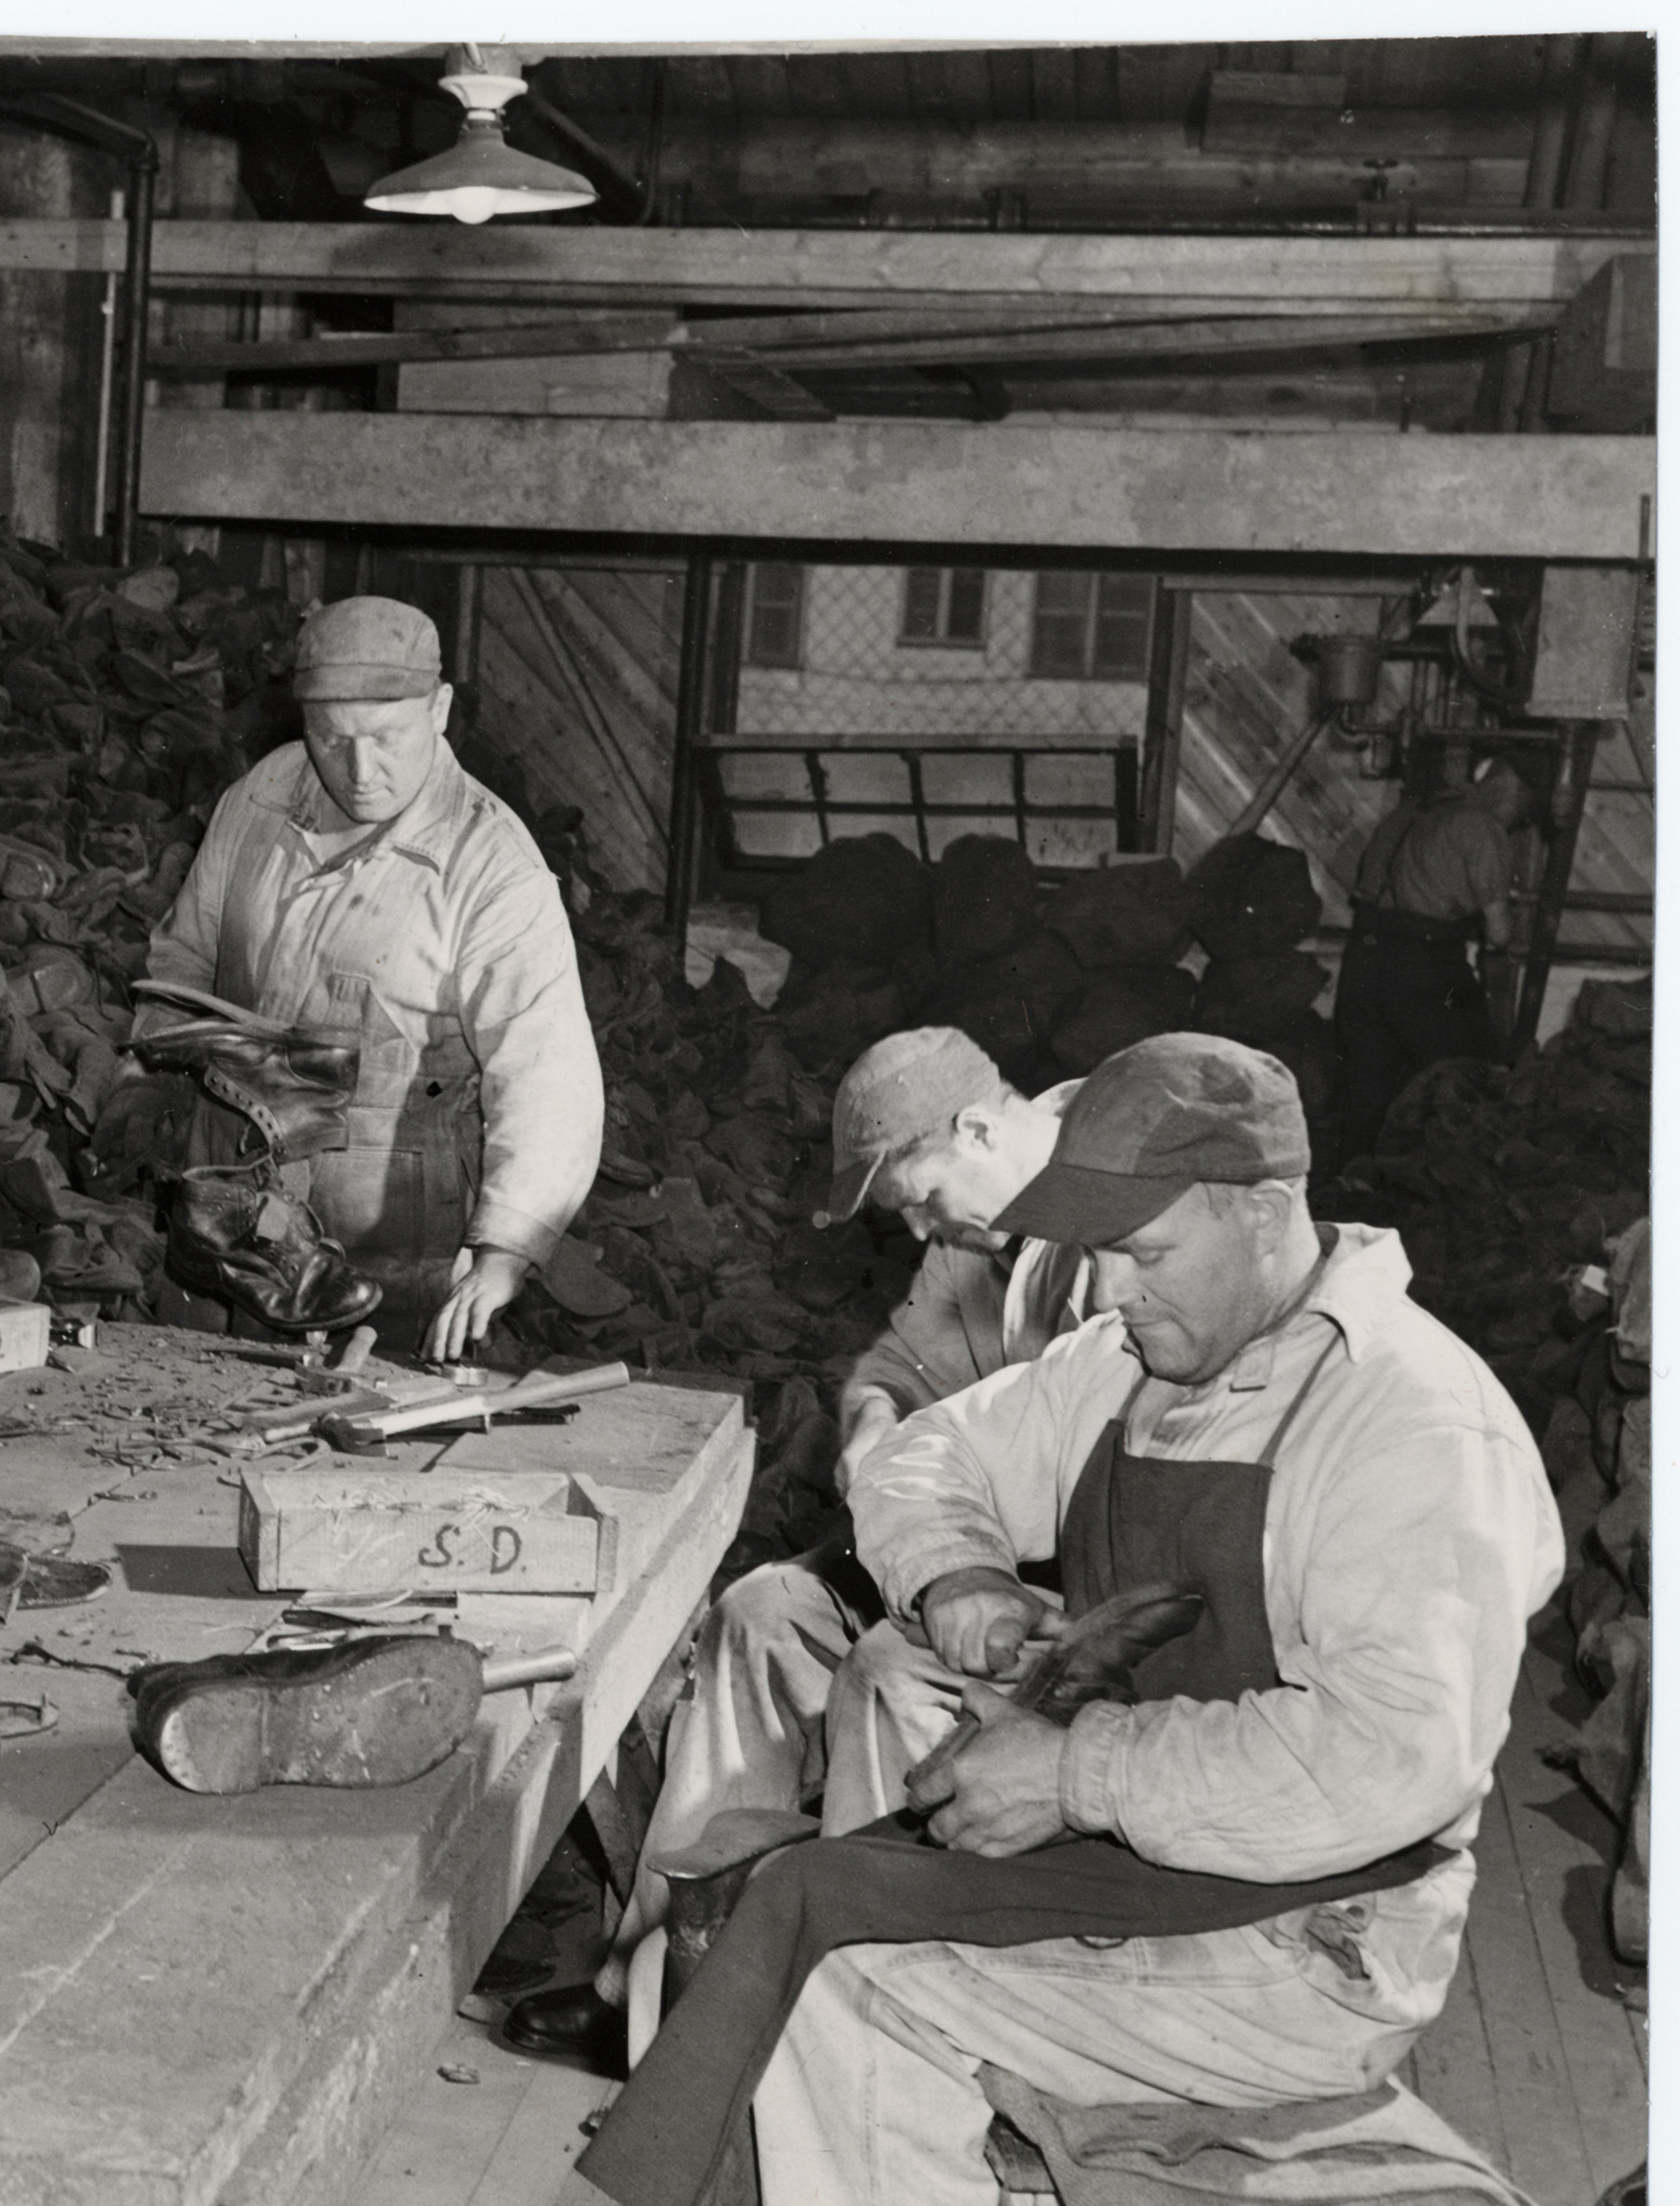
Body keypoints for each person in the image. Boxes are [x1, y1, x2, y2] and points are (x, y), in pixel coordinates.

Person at [750, 1034, 1559, 2206]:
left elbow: (1389, 1756)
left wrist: (1078, 1771)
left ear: (1265, 1210)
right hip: (1160, 1856)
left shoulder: (1411, 1417)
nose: (1113, 1292)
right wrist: (960, 1574)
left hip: (1315, 1937)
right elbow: (924, 1457)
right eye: (1103, 1257)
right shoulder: (1139, 1356)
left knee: (832, 1975)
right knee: (831, 1837)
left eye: (1144, 1254)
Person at [504, 1028, 1091, 2061]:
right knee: (758, 1612)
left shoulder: (1109, 1216)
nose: (918, 1226)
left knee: (880, 1675)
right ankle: (652, 1986)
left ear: (975, 1127)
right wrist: (873, 1418)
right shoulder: (981, 1219)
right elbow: (900, 1360)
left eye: (919, 1197)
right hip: (972, 1549)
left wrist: (944, 1517)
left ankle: (826, 2033)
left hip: (1076, 1587)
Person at [144, 595, 603, 1362]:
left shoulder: (492, 867)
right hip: (227, 1232)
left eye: (387, 738)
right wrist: (154, 1084)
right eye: (332, 738)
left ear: (440, 710)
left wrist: (505, 1253)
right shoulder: (259, 799)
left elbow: (547, 1074)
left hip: (386, 1259)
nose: (360, 772)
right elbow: (183, 956)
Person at [1333, 746, 1526, 1157]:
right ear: (1507, 789)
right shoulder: (1479, 826)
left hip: (1362, 961)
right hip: (1424, 967)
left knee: (1366, 1089)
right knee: (1464, 1076)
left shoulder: (1399, 817)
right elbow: (1499, 934)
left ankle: (1353, 1181)